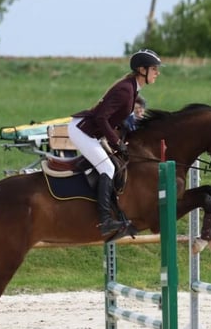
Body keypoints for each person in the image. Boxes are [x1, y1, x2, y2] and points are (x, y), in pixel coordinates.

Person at [67, 49, 161, 237]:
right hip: (82, 131)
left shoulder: (132, 89)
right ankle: (104, 220)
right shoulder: (126, 90)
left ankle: (115, 211)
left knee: (115, 165)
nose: (157, 73)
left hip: (91, 132)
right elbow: (102, 117)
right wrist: (117, 142)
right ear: (142, 70)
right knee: (108, 169)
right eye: (154, 69)